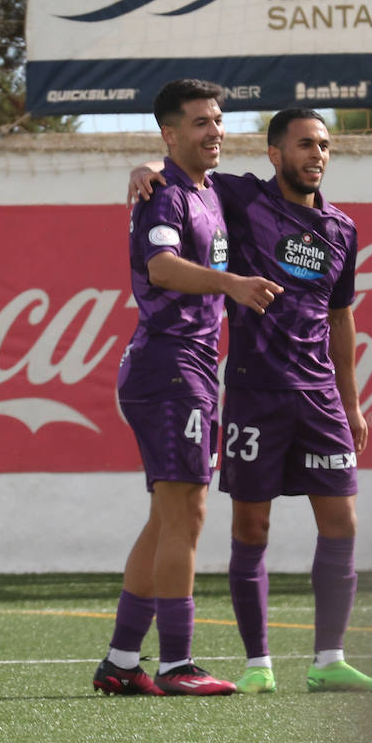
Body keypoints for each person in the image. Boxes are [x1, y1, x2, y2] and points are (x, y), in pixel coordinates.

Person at [129, 108, 372, 694]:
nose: (316, 155)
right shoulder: (243, 200)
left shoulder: (343, 230)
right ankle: (258, 665)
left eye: (323, 145)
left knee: (342, 520)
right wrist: (142, 166)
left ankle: (328, 660)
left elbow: (341, 318)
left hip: (320, 395)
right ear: (275, 154)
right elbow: (180, 169)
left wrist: (351, 403)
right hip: (254, 390)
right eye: (304, 145)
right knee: (250, 526)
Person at [94, 80, 282, 698]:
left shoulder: (209, 190)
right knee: (189, 514)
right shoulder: (166, 194)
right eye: (200, 122)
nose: (215, 130)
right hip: (167, 368)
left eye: (219, 119)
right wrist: (231, 284)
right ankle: (177, 665)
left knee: (166, 518)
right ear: (171, 133)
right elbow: (160, 266)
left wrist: (149, 163)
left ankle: (123, 661)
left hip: (189, 368)